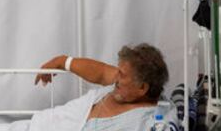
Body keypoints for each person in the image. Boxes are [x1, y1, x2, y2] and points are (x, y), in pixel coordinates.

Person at [34, 44, 170, 127]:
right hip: (43, 124)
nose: (116, 77)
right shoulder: (128, 88)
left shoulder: (149, 121)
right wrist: (62, 61)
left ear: (142, 88)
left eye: (122, 74)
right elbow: (102, 72)